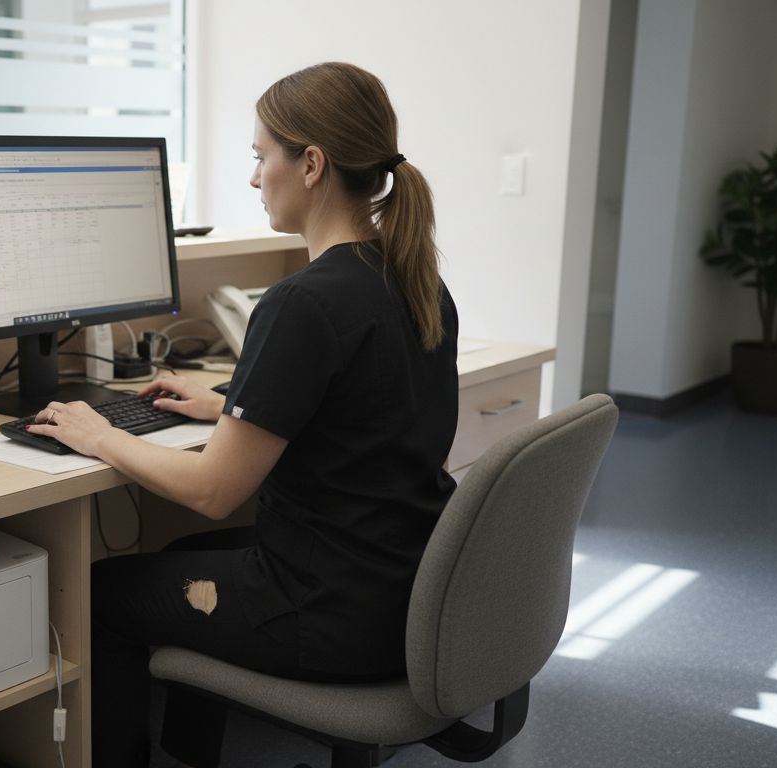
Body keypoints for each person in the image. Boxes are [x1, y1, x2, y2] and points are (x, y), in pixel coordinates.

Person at [26, 61, 459, 767]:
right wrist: (234, 404)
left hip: (326, 614)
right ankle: (192, 756)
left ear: (312, 164)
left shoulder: (302, 303)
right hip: (400, 595)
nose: (255, 178)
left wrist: (98, 433)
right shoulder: (414, 279)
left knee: (99, 595)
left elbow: (212, 492)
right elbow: (372, 415)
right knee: (177, 561)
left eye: (262, 158)